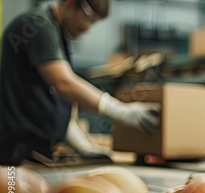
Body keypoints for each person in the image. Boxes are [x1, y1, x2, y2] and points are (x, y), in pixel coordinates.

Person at [0, 0, 161, 166]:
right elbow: (64, 82)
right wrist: (121, 111)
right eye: (88, 20)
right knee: (12, 192)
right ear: (70, 3)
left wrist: (80, 143)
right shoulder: (36, 25)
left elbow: (50, 98)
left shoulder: (56, 33)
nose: (87, 29)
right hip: (14, 154)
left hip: (35, 151)